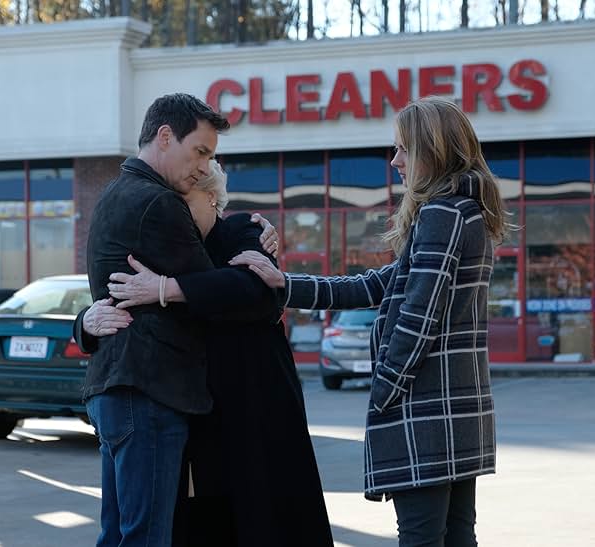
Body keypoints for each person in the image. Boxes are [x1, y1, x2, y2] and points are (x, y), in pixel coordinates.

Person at [231, 96, 508, 547]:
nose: (395, 161)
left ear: (432, 151)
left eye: (403, 149)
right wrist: (284, 283)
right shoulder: (464, 210)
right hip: (458, 409)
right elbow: (378, 285)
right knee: (457, 537)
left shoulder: (442, 213)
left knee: (421, 538)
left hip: (426, 408)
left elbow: (420, 316)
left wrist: (384, 389)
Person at [81, 160, 334, 547]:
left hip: (255, 401)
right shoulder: (165, 242)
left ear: (213, 198)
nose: (176, 208)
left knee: (264, 516)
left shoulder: (242, 229)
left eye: (185, 199)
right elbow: (118, 298)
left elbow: (258, 293)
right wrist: (84, 321)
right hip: (197, 406)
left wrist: (167, 288)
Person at [76, 93, 275, 547]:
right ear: (165, 137)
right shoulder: (158, 203)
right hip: (149, 390)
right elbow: (223, 295)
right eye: (200, 152)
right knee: (146, 539)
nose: (204, 167)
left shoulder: (116, 191)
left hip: (122, 388)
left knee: (120, 535)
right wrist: (256, 248)